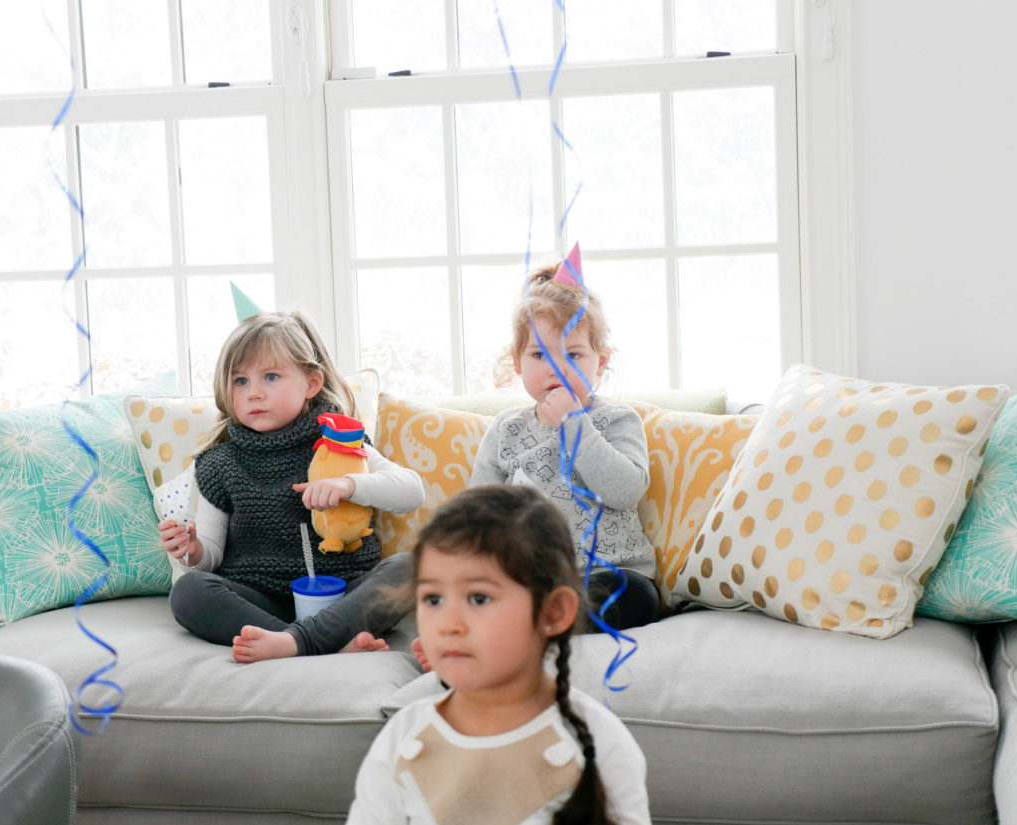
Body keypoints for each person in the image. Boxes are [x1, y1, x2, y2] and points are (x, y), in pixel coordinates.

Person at [347, 485, 651, 825]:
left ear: (553, 612)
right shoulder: (402, 738)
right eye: (433, 599)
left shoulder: (600, 744)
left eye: (478, 598)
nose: (448, 624)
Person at [157, 310, 425, 662]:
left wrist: (349, 485)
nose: (254, 393)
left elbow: (411, 491)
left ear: (311, 383)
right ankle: (316, 642)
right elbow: (211, 554)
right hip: (261, 600)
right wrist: (193, 551)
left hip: (342, 595)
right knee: (188, 591)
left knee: (412, 567)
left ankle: (293, 644)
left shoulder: (339, 443)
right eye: (240, 381)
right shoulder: (220, 463)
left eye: (270, 377)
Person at [470, 245, 661, 631]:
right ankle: (502, 627)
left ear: (600, 363)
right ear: (517, 361)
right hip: (531, 582)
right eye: (540, 356)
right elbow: (478, 514)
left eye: (573, 355)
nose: (556, 368)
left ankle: (527, 628)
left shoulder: (617, 420)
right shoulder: (507, 429)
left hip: (610, 573)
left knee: (632, 595)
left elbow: (624, 490)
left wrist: (574, 422)